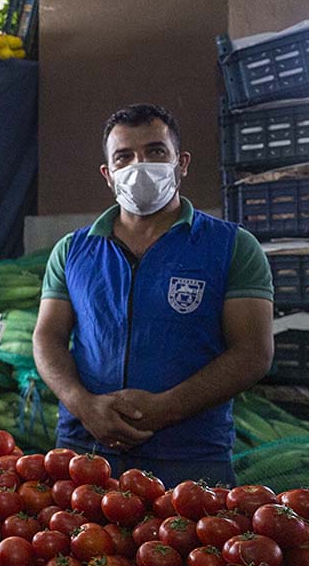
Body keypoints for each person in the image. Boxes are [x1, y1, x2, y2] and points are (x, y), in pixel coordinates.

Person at [33, 103, 273, 487]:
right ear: (108, 175)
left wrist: (167, 409)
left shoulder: (232, 246)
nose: (139, 166)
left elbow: (253, 353)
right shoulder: (72, 250)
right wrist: (82, 405)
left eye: (156, 152)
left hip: (191, 460)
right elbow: (47, 337)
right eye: (124, 157)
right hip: (86, 453)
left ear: (182, 163)